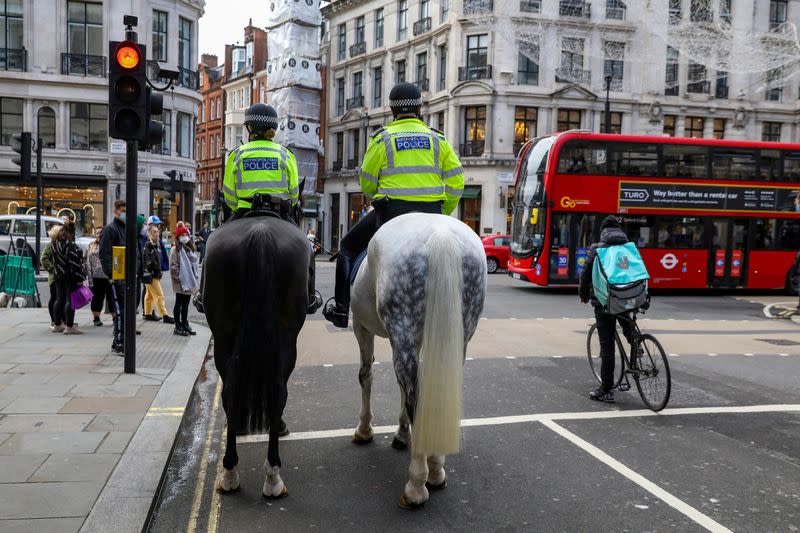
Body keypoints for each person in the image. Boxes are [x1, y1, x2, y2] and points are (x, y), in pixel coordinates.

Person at [323, 82, 465, 328]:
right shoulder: (437, 139)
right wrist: (444, 211)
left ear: (392, 110)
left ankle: (342, 310)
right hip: (432, 214)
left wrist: (376, 194)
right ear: (419, 108)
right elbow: (456, 180)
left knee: (347, 246)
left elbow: (366, 180)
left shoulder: (382, 139)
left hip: (390, 214)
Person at [218, 102, 321, 314]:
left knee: (214, 241)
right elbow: (294, 194)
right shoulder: (286, 155)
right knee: (307, 248)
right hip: (279, 213)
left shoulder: (237, 155)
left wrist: (239, 205)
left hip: (244, 211)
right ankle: (310, 296)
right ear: (273, 130)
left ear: (248, 128)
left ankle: (203, 294)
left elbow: (228, 193)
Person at [578, 215, 635, 403]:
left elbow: (585, 275)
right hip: (628, 298)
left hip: (605, 302)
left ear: (603, 232)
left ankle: (607, 389)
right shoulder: (628, 248)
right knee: (629, 327)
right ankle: (636, 345)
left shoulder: (597, 249)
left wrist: (584, 294)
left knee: (607, 346)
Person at [100, 200, 127, 353]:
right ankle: (118, 341)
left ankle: (121, 339)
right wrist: (111, 275)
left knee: (125, 310)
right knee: (119, 310)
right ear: (115, 211)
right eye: (122, 210)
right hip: (117, 277)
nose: (124, 214)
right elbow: (104, 255)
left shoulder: (125, 229)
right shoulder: (110, 229)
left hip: (125, 276)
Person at [51, 220, 86, 334]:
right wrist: (80, 278)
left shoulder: (54, 243)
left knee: (59, 299)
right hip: (69, 276)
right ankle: (69, 327)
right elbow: (75, 264)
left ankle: (57, 324)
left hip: (57, 275)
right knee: (70, 301)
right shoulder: (70, 245)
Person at [170, 224, 199, 336]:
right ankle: (178, 326)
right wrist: (180, 279)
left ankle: (185, 324)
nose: (184, 237)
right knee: (179, 303)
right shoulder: (175, 249)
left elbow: (194, 264)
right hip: (180, 282)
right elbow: (173, 267)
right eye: (182, 235)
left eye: (186, 235)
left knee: (186, 304)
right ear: (177, 237)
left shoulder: (189, 249)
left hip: (189, 281)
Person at [143, 223, 174, 324]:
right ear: (150, 233)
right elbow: (148, 260)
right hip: (151, 274)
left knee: (149, 295)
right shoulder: (149, 244)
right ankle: (164, 315)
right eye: (154, 232)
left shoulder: (157, 243)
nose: (157, 233)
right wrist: (155, 269)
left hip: (152, 274)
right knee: (160, 295)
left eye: (157, 231)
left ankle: (147, 314)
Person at [85, 227, 113, 327]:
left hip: (109, 276)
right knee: (97, 298)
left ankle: (115, 318)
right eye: (97, 233)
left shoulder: (109, 244)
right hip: (96, 277)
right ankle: (96, 318)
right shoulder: (91, 245)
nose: (99, 235)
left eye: (101, 233)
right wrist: (89, 278)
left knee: (112, 298)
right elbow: (87, 262)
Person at [40, 224, 62, 330]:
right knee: (55, 298)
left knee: (60, 298)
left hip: (60, 276)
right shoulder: (51, 245)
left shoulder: (60, 244)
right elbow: (43, 258)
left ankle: (59, 319)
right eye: (60, 232)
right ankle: (54, 320)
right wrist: (52, 269)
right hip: (54, 277)